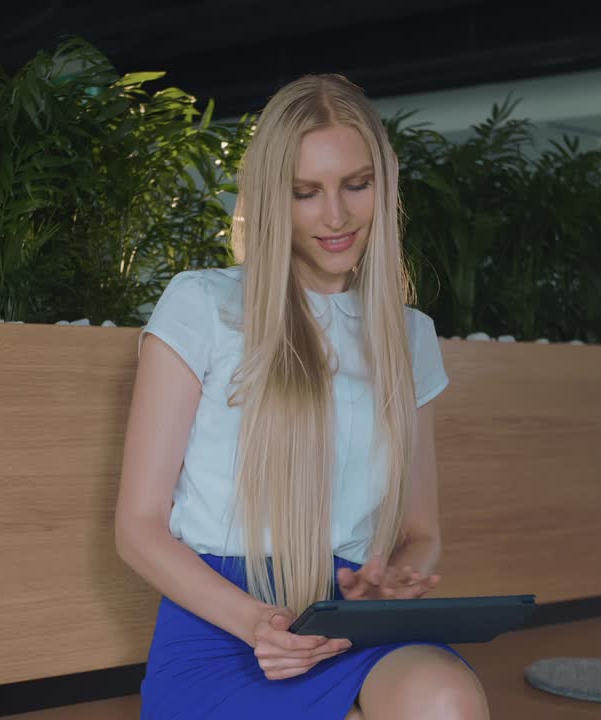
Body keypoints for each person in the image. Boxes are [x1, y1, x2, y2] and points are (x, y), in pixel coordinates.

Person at [115, 73, 489, 719]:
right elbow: (137, 529)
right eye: (305, 193)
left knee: (447, 700)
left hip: (346, 621)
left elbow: (421, 531)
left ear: (384, 183)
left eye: (356, 184)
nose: (336, 216)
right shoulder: (201, 305)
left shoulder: (411, 337)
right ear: (270, 197)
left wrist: (390, 586)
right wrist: (256, 622)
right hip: (223, 622)